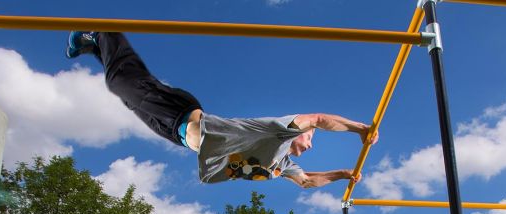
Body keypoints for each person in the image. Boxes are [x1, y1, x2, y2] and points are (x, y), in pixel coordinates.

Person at [66, 31, 377, 188]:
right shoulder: (280, 131)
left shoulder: (280, 164)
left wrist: (343, 174)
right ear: (302, 132)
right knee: (122, 82)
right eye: (311, 139)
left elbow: (308, 181)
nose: (310, 146)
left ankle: (97, 47)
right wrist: (360, 129)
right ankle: (102, 33)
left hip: (176, 134)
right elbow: (319, 119)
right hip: (183, 115)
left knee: (126, 95)